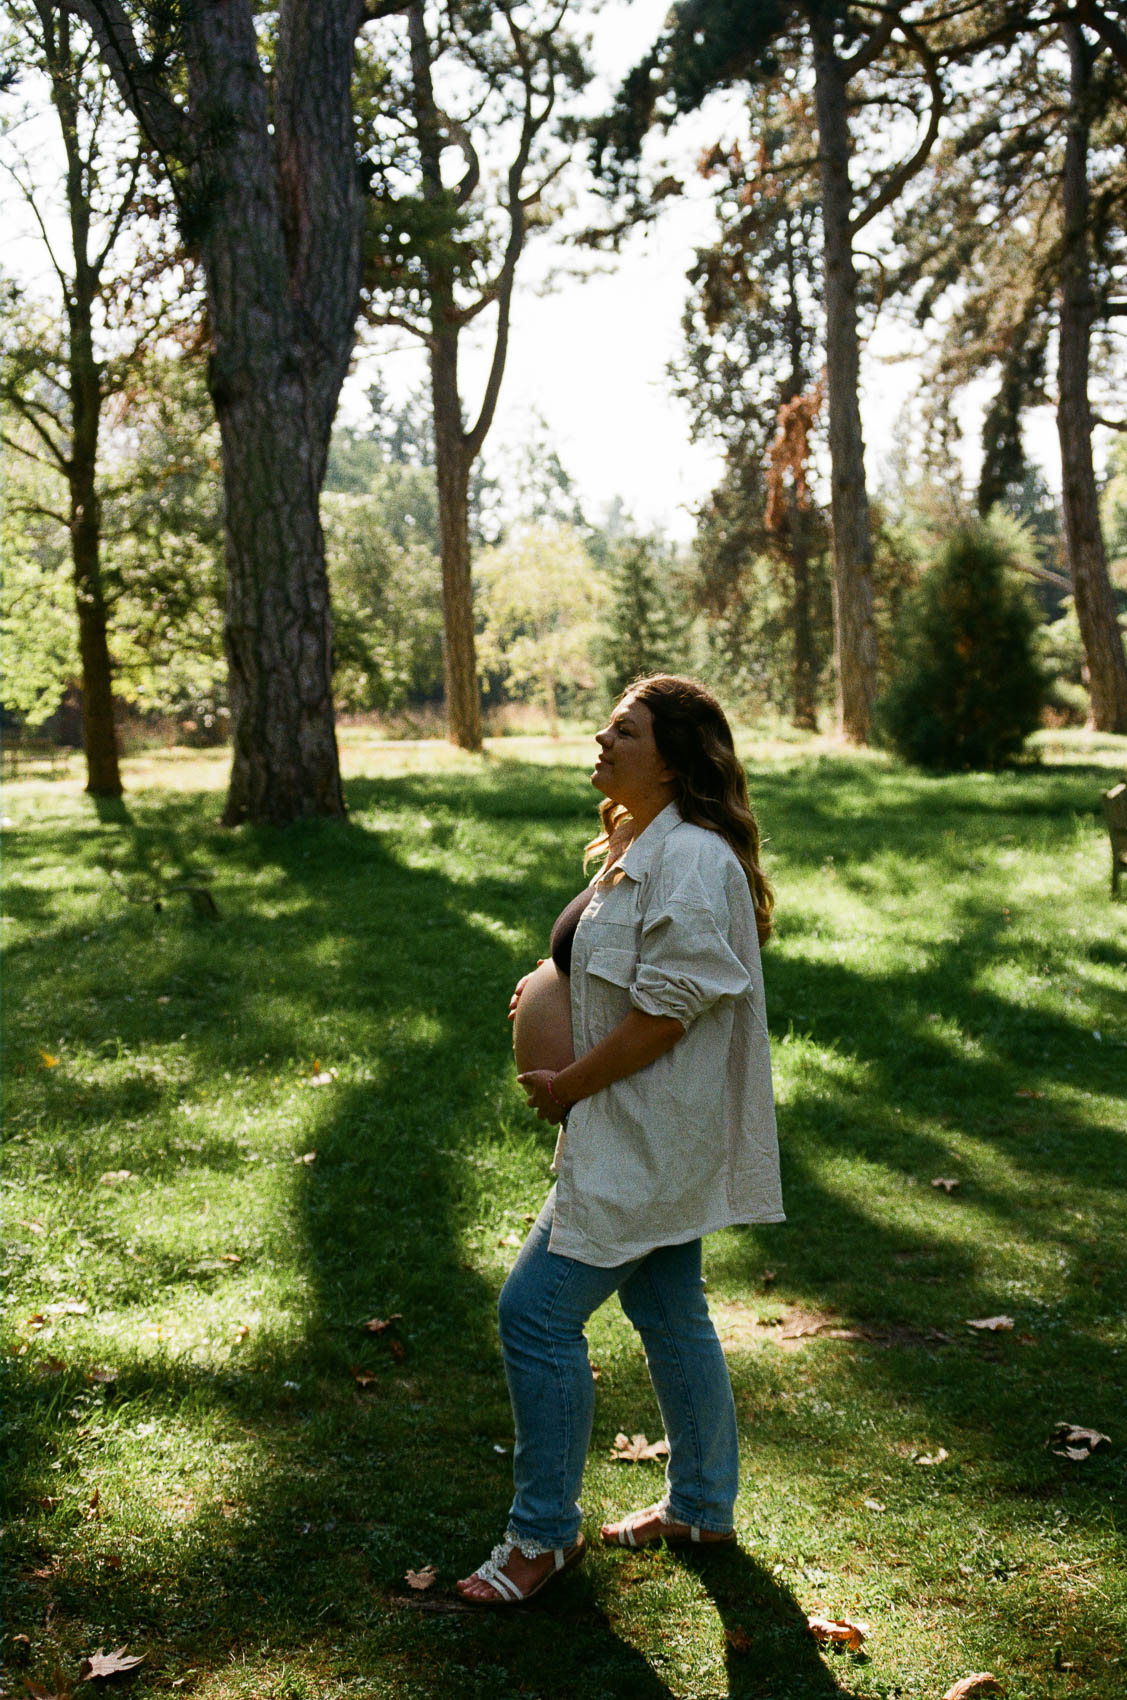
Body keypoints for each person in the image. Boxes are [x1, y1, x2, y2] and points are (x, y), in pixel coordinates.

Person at [456, 674, 783, 1606]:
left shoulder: (693, 860)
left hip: (643, 1132)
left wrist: (565, 1083)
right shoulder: (642, 838)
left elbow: (664, 1018)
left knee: (535, 1315)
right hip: (639, 1125)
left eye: (624, 731)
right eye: (605, 725)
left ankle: (542, 1538)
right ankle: (702, 1506)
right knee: (672, 1314)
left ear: (674, 757)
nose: (601, 740)